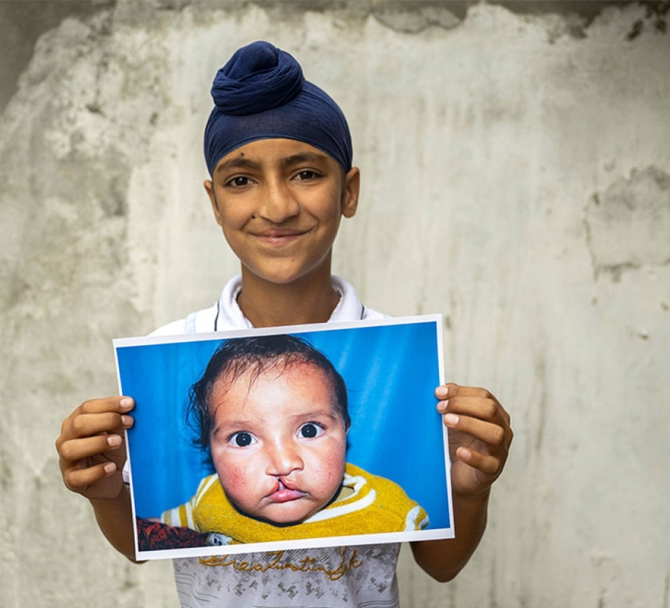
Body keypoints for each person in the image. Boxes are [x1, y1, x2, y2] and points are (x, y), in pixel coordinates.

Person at [56, 40, 513, 606]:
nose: (276, 206)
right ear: (215, 202)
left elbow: (440, 565)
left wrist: (470, 492)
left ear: (348, 191)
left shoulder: (409, 369)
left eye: (304, 173)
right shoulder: (168, 352)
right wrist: (106, 495)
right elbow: (152, 540)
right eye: (241, 180)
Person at [158, 334, 428, 546]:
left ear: (345, 430)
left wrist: (466, 495)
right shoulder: (208, 501)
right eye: (243, 439)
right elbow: (141, 542)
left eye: (309, 431)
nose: (284, 463)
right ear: (210, 450)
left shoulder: (385, 510)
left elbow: (441, 567)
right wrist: (115, 496)